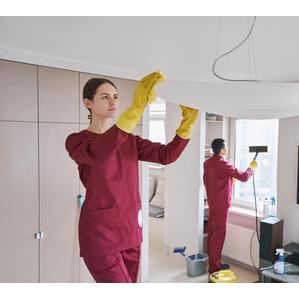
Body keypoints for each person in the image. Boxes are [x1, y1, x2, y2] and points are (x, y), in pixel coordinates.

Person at [65, 71, 198, 283]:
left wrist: (187, 124)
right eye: (105, 97)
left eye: (116, 96)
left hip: (130, 231)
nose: (113, 102)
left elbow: (167, 155)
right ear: (88, 103)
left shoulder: (130, 141)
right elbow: (100, 152)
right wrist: (136, 109)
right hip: (100, 235)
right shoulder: (77, 142)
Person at [203, 138, 257, 274]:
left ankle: (214, 262)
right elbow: (244, 177)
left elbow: (209, 181)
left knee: (212, 233)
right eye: (225, 147)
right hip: (221, 205)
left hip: (212, 202)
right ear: (221, 150)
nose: (226, 149)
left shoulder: (207, 163)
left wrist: (228, 181)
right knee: (218, 235)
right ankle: (214, 268)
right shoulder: (224, 164)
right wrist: (252, 168)